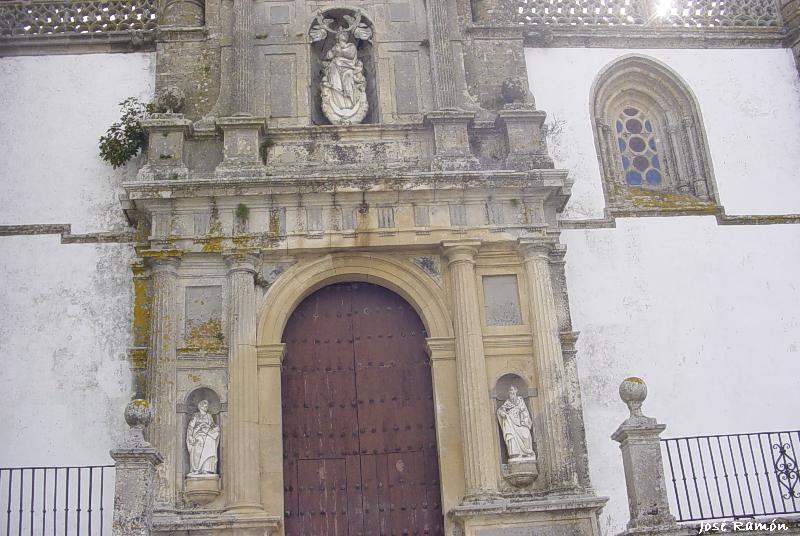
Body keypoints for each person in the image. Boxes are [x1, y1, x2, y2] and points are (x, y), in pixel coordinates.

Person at [321, 31, 368, 124]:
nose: (343, 36)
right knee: (335, 81)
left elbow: (351, 55)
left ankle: (350, 101)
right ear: (337, 38)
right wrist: (333, 51)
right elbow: (328, 56)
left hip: (349, 69)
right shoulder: (335, 47)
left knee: (348, 78)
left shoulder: (351, 46)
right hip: (335, 68)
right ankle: (340, 102)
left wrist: (340, 51)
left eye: (344, 35)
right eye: (341, 35)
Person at [497, 385, 536, 460]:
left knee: (526, 434)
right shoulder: (507, 402)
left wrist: (520, 413)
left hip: (521, 422)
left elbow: (524, 410)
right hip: (512, 423)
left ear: (516, 391)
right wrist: (503, 413)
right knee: (511, 434)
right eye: (510, 391)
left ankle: (528, 452)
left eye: (512, 390)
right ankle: (515, 453)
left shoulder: (520, 400)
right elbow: (500, 410)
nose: (511, 392)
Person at [186, 400, 220, 475]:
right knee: (199, 442)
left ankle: (207, 468)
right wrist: (190, 436)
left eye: (207, 406)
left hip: (208, 433)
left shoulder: (209, 416)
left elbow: (212, 425)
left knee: (210, 441)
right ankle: (197, 469)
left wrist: (216, 428)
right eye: (204, 406)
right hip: (199, 434)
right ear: (200, 406)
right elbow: (191, 427)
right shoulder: (196, 415)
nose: (206, 407)